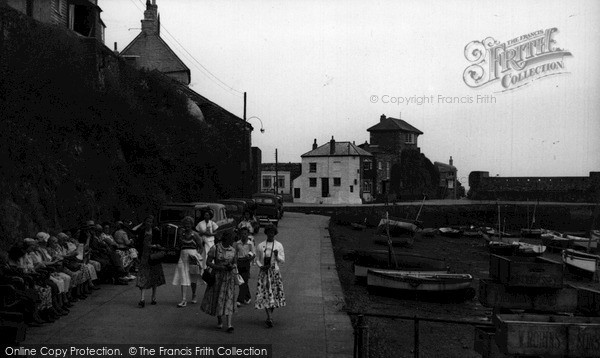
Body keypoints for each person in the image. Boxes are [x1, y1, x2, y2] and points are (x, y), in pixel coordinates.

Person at [200, 231, 237, 333]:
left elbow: (235, 263)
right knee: (218, 298)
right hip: (217, 277)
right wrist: (219, 267)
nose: (232, 239)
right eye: (230, 237)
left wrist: (231, 266)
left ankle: (229, 324)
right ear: (225, 237)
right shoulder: (215, 248)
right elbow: (208, 262)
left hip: (229, 278)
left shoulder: (233, 250)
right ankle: (220, 320)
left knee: (229, 298)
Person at [255, 223, 286, 328]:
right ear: (266, 233)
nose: (270, 234)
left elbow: (282, 260)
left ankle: (270, 315)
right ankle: (269, 317)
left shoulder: (279, 245)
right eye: (269, 232)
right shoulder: (260, 246)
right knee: (266, 294)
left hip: (274, 273)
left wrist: (277, 256)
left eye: (272, 232)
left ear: (275, 233)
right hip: (264, 273)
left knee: (274, 295)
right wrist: (261, 266)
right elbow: (257, 260)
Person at [135, 215, 165, 308]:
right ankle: (142, 299)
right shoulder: (141, 231)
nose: (149, 223)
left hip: (153, 256)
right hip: (144, 256)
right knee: (143, 276)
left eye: (151, 222)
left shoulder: (156, 231)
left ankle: (153, 297)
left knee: (154, 276)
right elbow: (138, 243)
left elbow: (161, 244)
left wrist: (154, 246)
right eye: (147, 221)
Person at [172, 216, 203, 307]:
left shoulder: (195, 235)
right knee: (183, 277)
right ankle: (183, 299)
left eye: (189, 224)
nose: (187, 226)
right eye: (185, 224)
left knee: (193, 278)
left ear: (192, 225)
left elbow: (200, 247)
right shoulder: (181, 235)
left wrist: (197, 256)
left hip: (193, 258)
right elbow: (178, 246)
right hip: (183, 257)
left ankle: (194, 294)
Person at [234, 226, 255, 306]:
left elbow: (253, 254)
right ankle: (247, 296)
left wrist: (250, 258)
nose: (243, 235)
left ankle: (240, 299)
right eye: (242, 234)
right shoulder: (237, 243)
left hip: (246, 263)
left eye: (245, 234)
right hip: (239, 262)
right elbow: (235, 254)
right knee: (241, 280)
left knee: (244, 280)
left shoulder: (250, 243)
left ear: (248, 234)